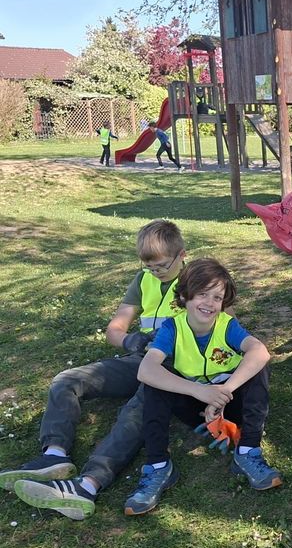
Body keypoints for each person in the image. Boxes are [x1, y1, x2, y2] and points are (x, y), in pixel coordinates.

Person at [5, 220, 186, 519]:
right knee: (67, 380)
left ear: (181, 254)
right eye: (149, 266)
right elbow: (115, 328)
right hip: (140, 358)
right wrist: (132, 339)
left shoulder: (199, 279)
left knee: (136, 410)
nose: (156, 272)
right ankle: (54, 456)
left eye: (162, 266)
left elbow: (222, 324)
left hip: (175, 367)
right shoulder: (143, 280)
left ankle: (88, 485)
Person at [123, 258, 281, 515]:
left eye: (217, 298)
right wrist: (200, 392)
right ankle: (158, 466)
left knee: (258, 368)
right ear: (185, 296)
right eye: (202, 294)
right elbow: (146, 369)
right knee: (156, 381)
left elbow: (260, 351)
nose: (209, 303)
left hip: (231, 401)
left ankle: (248, 450)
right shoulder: (172, 328)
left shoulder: (226, 325)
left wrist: (223, 393)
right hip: (195, 401)